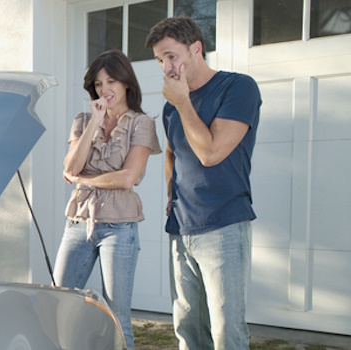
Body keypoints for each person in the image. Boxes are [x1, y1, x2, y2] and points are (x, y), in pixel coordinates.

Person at [145, 16, 262, 350]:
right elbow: (171, 153)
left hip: (224, 225)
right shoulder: (171, 107)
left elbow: (211, 153)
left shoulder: (238, 88)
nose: (165, 66)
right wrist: (171, 193)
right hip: (181, 229)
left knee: (227, 333)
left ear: (196, 49)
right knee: (189, 330)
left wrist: (182, 102)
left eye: (170, 55)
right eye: (159, 60)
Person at [55, 49, 161, 350]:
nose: (105, 89)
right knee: (61, 302)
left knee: (117, 315)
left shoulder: (142, 123)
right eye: (99, 84)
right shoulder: (83, 120)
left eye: (111, 81)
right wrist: (94, 122)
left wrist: (85, 180)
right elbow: (70, 167)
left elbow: (129, 178)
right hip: (79, 224)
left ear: (126, 82)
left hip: (120, 228)